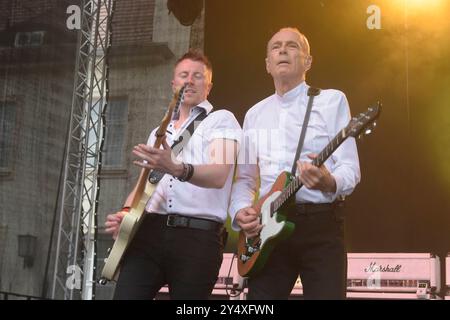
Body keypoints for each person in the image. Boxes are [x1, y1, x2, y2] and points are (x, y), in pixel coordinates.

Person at [229, 27, 361, 300]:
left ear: (308, 61)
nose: (283, 50)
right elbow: (244, 178)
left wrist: (329, 181)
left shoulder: (331, 100)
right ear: (267, 64)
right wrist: (240, 210)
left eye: (292, 46)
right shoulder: (253, 114)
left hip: (320, 227)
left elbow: (350, 168)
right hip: (267, 233)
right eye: (276, 47)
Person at [105, 49, 241, 300]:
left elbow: (219, 174)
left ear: (208, 86)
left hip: (197, 238)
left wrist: (177, 167)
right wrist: (125, 214)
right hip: (148, 233)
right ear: (173, 84)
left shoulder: (221, 120)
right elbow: (142, 184)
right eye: (184, 75)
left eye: (198, 76)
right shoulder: (159, 131)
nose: (190, 80)